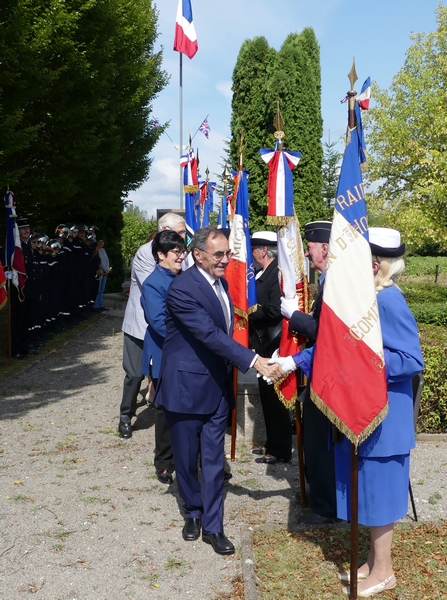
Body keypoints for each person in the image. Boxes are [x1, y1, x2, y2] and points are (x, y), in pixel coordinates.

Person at [154, 226, 285, 555]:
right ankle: (192, 511)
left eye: (228, 253)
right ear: (198, 255)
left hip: (216, 387)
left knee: (213, 461)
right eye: (219, 254)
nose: (226, 260)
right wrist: (254, 360)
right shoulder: (181, 289)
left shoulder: (222, 283)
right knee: (186, 460)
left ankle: (214, 527)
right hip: (185, 388)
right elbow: (208, 334)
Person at [334, 228, 423, 597]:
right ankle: (373, 562)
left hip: (386, 420)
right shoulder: (374, 296)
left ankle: (384, 572)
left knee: (381, 496)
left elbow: (411, 359)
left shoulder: (389, 300)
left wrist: (365, 359)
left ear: (374, 264)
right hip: (371, 415)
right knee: (370, 490)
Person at [279, 220, 338, 523]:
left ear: (325, 248)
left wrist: (294, 316)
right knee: (315, 441)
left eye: (310, 246)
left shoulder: (335, 282)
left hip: (328, 377)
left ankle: (326, 508)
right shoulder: (328, 279)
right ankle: (321, 499)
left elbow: (326, 332)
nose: (307, 253)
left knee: (320, 442)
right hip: (320, 371)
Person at [118, 212, 187, 439]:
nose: (183, 236)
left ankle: (165, 417)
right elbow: (158, 285)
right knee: (134, 374)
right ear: (164, 230)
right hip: (142, 323)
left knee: (163, 373)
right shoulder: (145, 253)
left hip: (168, 326)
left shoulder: (180, 253)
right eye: (180, 232)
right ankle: (126, 415)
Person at [140, 230, 186, 484]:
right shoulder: (153, 283)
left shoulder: (185, 277)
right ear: (161, 254)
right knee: (166, 410)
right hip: (164, 353)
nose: (181, 257)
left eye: (182, 252)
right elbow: (158, 322)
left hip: (188, 353)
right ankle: (164, 463)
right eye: (176, 252)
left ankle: (194, 457)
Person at [249, 231, 292, 464]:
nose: (251, 255)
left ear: (263, 250)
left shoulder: (275, 273)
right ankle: (272, 442)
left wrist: (250, 310)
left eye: (253, 250)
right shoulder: (263, 272)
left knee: (275, 398)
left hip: (273, 344)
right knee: (267, 397)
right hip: (262, 343)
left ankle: (280, 448)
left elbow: (276, 309)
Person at [94, 238, 111, 311]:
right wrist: (104, 269)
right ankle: (96, 305)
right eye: (99, 242)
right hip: (100, 271)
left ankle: (101, 304)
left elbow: (107, 260)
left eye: (102, 242)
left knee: (102, 289)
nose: (101, 243)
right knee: (98, 289)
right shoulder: (96, 250)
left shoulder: (103, 250)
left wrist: (107, 269)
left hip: (105, 271)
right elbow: (99, 262)